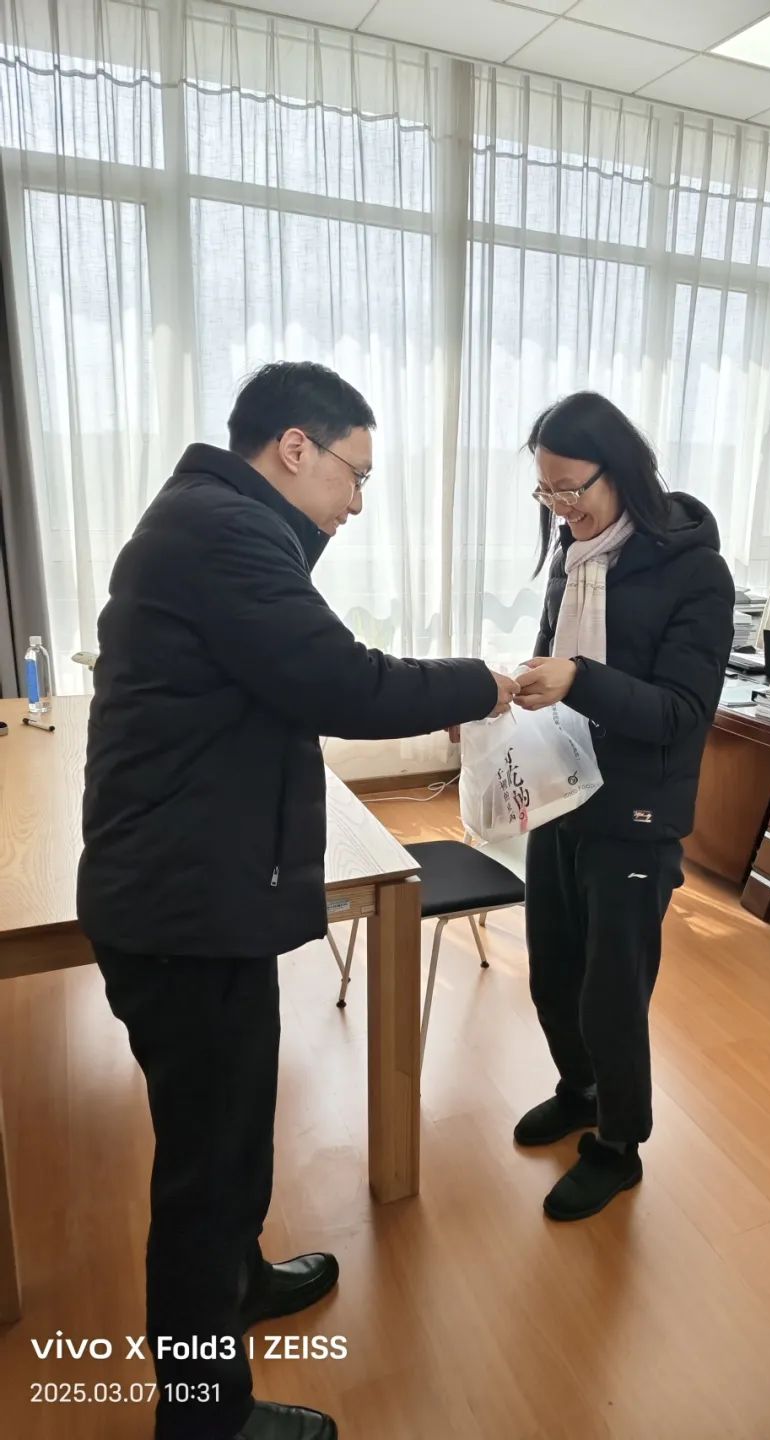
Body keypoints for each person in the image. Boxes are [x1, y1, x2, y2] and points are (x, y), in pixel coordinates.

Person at [78, 361, 518, 1440]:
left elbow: (287, 655)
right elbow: (342, 680)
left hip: (197, 892)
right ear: (293, 448)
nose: (358, 502)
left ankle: (239, 1283)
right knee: (206, 1169)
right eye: (354, 475)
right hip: (184, 908)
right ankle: (205, 1419)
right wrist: (484, 682)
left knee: (230, 1136)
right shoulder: (223, 535)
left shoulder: (216, 520)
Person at [511, 391, 734, 1222]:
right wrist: (516, 693)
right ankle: (581, 1091)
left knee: (612, 989)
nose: (560, 508)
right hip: (560, 791)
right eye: (547, 491)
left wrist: (579, 680)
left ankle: (618, 1144)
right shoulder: (574, 554)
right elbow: (554, 655)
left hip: (636, 808)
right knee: (553, 970)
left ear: (623, 471)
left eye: (572, 489)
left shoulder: (695, 572)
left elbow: (682, 711)